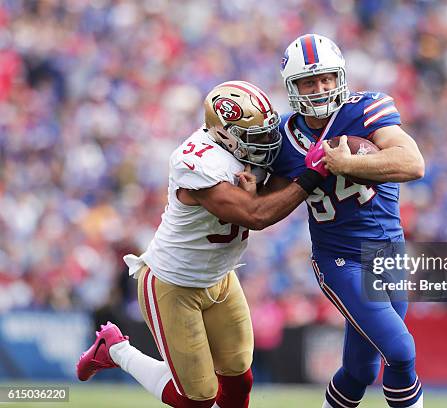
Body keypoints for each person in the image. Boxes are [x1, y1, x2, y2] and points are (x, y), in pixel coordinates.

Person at [76, 80, 328, 408]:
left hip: (220, 278)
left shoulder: (242, 149)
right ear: (225, 134)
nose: (268, 142)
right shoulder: (196, 162)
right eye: (256, 137)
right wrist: (312, 175)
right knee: (198, 398)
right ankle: (114, 349)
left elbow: (260, 200)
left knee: (239, 378)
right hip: (174, 283)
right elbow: (256, 215)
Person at [269, 34, 426, 407]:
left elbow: (413, 163)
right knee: (401, 351)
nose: (320, 88)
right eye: (309, 81)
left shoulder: (365, 109)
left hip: (389, 254)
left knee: (360, 371)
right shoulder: (283, 137)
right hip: (341, 259)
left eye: (326, 78)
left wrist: (349, 165)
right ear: (293, 87)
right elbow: (267, 205)